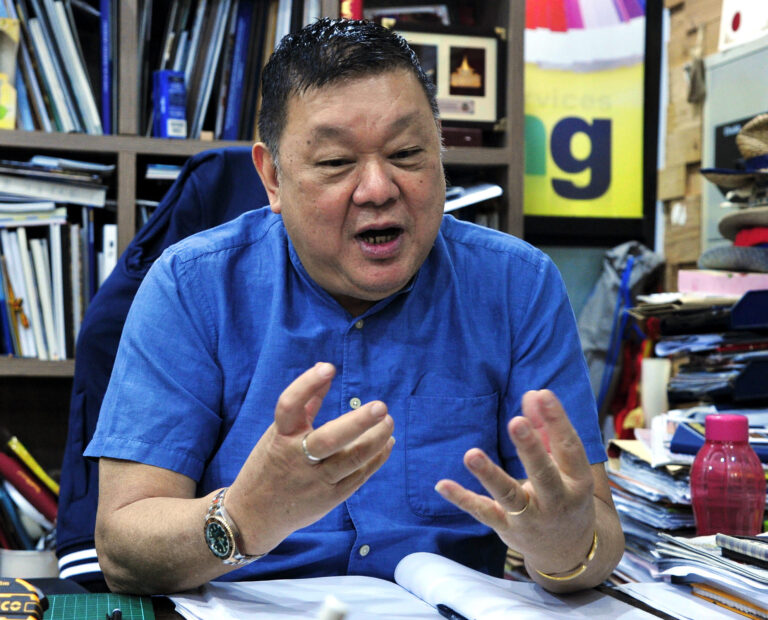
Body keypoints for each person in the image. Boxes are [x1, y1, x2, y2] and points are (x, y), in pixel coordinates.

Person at [85, 18, 624, 596]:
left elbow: (595, 532)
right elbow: (123, 547)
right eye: (336, 162)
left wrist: (563, 545)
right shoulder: (192, 286)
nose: (378, 189)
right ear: (272, 177)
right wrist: (241, 517)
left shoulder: (518, 285)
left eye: (407, 153)